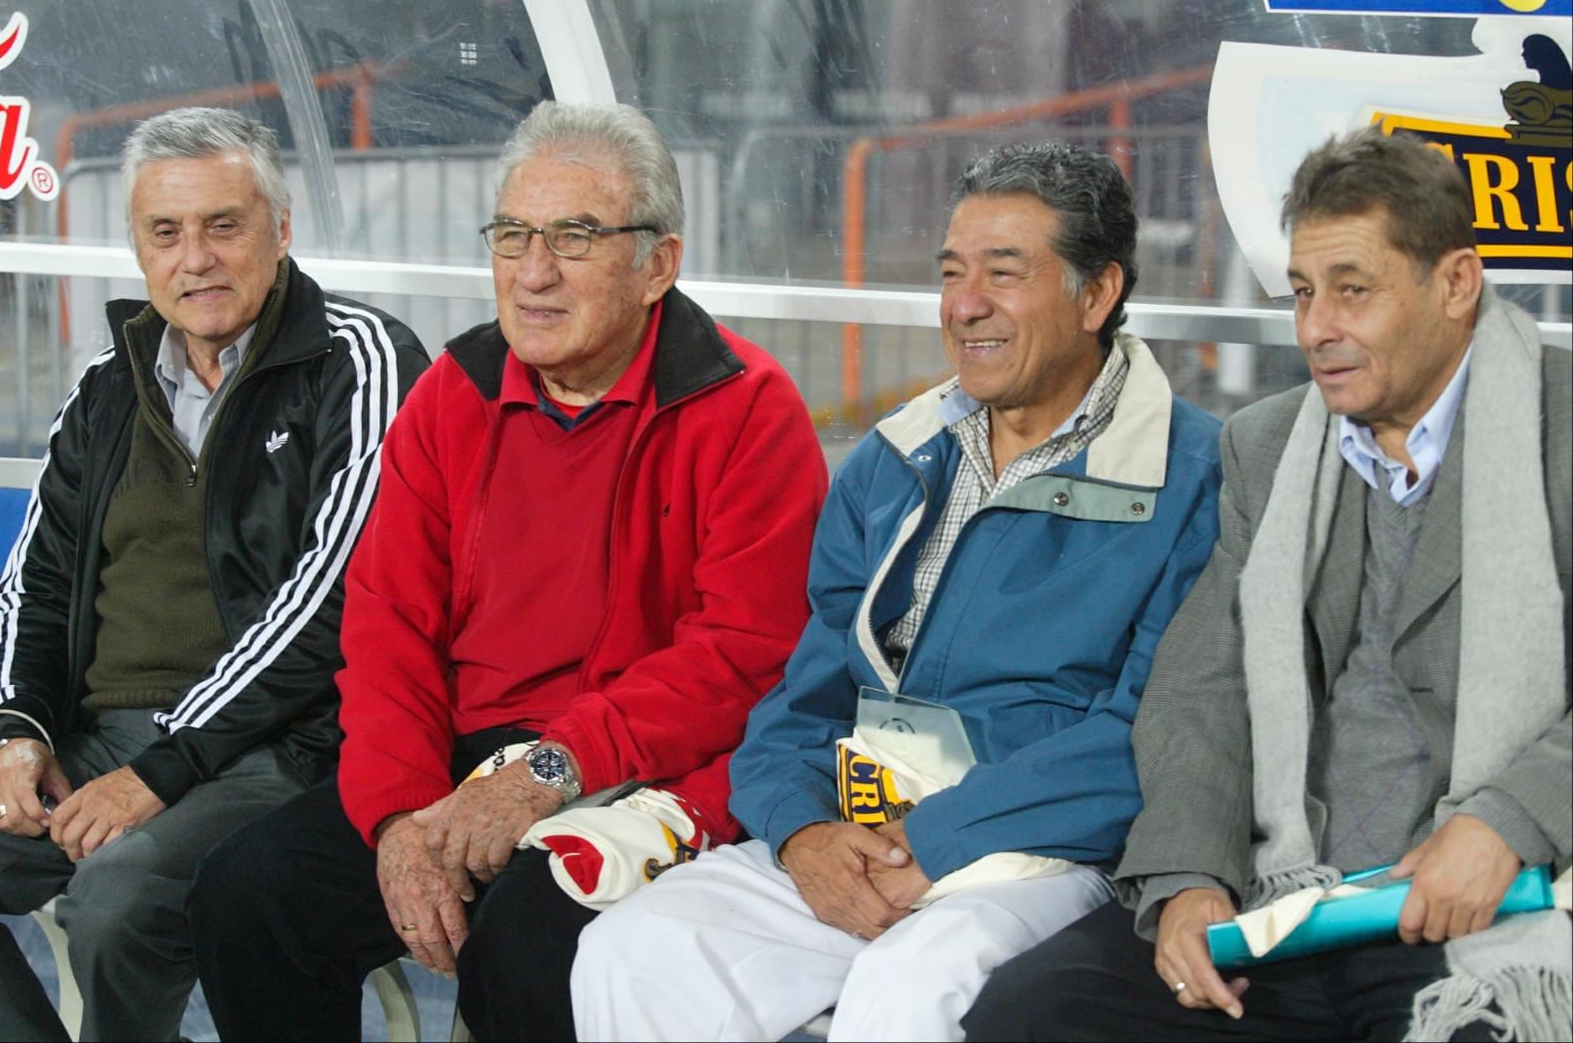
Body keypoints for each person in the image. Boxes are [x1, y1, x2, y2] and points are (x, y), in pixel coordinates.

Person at [187, 100, 829, 1041]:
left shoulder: (748, 410)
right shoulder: (451, 394)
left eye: (575, 237)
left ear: (658, 264)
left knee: (526, 941)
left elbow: (741, 657)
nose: (533, 273)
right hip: (466, 761)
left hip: (648, 770)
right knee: (248, 897)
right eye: (514, 235)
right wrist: (400, 822)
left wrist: (547, 770)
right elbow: (387, 629)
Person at [570, 142, 1224, 1042]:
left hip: (1044, 852)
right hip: (863, 830)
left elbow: (1155, 737)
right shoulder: (896, 461)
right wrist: (800, 832)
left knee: (910, 993)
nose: (965, 305)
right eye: (952, 273)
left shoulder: (1193, 479)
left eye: (1004, 273)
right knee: (635, 952)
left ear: (1097, 294)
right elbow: (802, 697)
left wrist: (941, 836)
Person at [965, 127, 1571, 1042]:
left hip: (1481, 910)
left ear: (1456, 284)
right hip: (1285, 897)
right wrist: (1189, 877)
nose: (1317, 328)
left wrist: (1509, 820)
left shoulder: (1560, 428)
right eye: (1302, 292)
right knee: (1028, 1014)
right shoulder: (1269, 444)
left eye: (1353, 290)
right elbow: (1201, 687)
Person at [0, 106, 428, 1041]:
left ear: (281, 228)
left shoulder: (363, 360)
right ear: (137, 247)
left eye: (224, 225)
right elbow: (35, 583)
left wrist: (162, 767)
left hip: (282, 747)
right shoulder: (108, 383)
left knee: (116, 903)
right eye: (166, 232)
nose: (197, 259)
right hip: (99, 734)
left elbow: (333, 599)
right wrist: (14, 732)